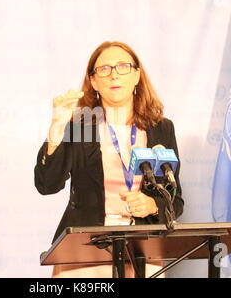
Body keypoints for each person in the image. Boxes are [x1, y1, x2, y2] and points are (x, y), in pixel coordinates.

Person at [34, 41, 184, 277]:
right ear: (93, 81)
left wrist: (154, 204)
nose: (114, 74)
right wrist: (56, 129)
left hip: (142, 249)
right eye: (104, 69)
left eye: (123, 66)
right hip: (85, 251)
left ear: (136, 75)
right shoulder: (82, 125)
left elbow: (175, 199)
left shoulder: (161, 128)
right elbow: (47, 185)